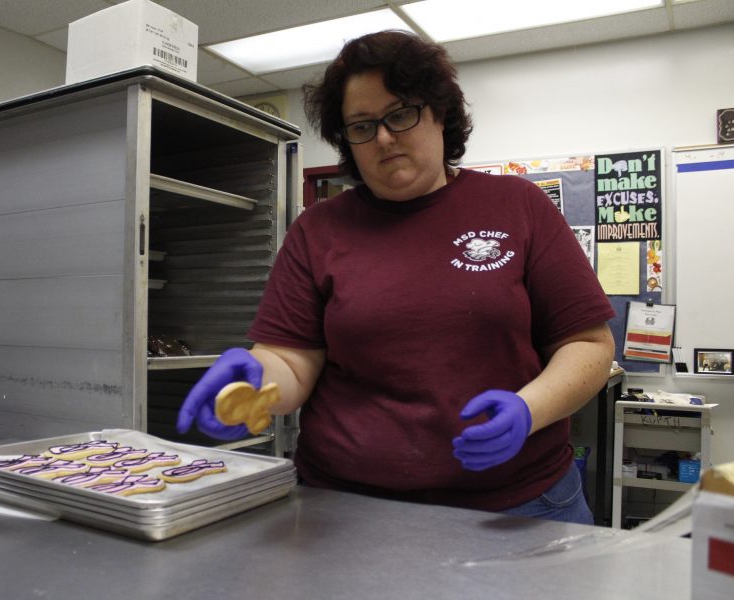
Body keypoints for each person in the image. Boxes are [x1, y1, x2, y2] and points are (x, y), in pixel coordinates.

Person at [177, 30, 616, 524]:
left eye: (400, 113)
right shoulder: (318, 230)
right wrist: (258, 383)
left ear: (439, 113)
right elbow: (292, 360)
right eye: (362, 126)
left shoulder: (519, 206)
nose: (383, 137)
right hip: (347, 509)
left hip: (520, 506)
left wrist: (528, 409)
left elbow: (589, 346)